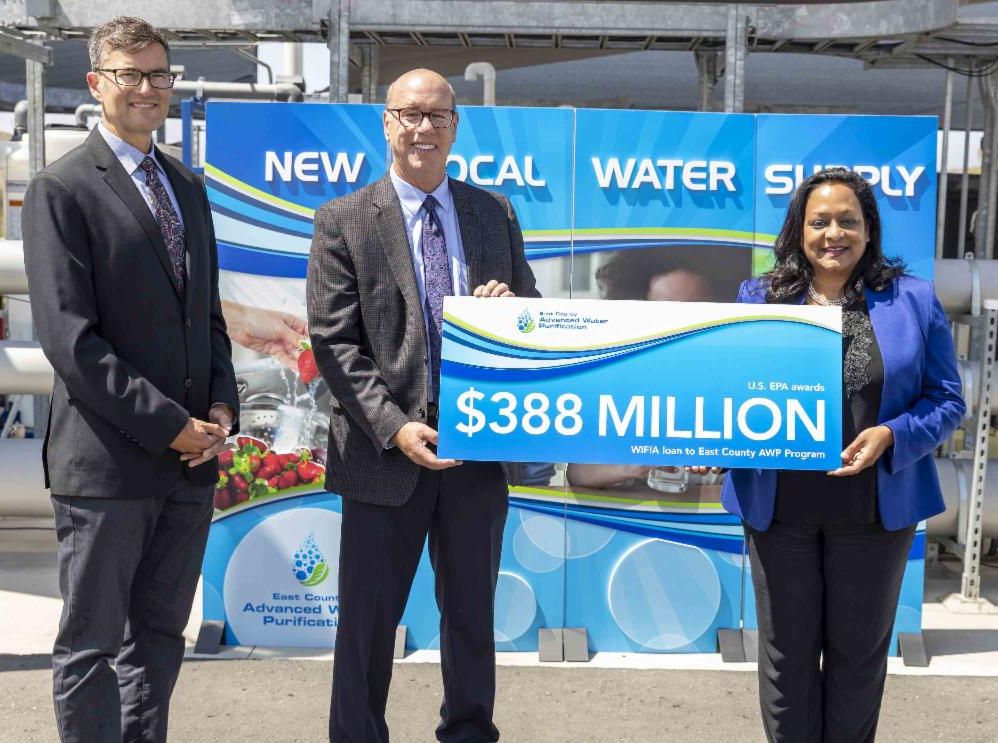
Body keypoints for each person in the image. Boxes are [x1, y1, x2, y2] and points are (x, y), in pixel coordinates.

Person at [21, 16, 238, 743]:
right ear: (96, 83)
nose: (148, 88)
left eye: (159, 74)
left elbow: (207, 316)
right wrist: (170, 425)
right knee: (91, 646)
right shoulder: (61, 189)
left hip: (189, 466)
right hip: (107, 468)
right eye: (130, 74)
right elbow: (71, 341)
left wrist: (220, 407)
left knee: (159, 638)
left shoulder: (187, 187)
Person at [306, 68, 539, 743]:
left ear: (455, 127)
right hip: (383, 454)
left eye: (437, 116)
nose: (423, 128)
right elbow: (333, 342)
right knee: (367, 624)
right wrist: (396, 427)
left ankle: (469, 733)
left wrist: (513, 311)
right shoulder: (344, 220)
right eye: (409, 114)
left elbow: (531, 313)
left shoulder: (494, 213)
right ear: (387, 123)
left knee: (471, 618)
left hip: (476, 450)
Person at [715, 167, 964, 742]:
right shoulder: (759, 297)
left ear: (869, 229)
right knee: (786, 663)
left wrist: (893, 434)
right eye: (819, 221)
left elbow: (948, 400)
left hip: (874, 512)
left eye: (848, 221)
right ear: (798, 230)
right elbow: (730, 389)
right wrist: (712, 441)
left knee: (857, 664)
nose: (834, 234)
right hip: (780, 510)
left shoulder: (913, 300)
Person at [568, 244, 749, 491]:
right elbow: (577, 473)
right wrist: (634, 464)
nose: (679, 324)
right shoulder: (618, 380)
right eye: (665, 310)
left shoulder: (733, 382)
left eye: (695, 311)